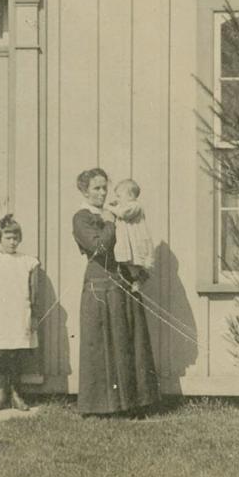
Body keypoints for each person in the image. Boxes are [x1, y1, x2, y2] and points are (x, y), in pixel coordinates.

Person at [72, 166, 159, 416]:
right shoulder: (83, 217)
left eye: (103, 187)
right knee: (103, 344)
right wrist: (111, 222)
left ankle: (134, 404)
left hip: (123, 282)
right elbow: (98, 248)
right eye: (96, 188)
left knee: (130, 341)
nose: (102, 192)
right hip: (100, 286)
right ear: (84, 191)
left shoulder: (117, 212)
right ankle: (101, 407)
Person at [0, 213, 39, 411]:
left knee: (16, 355)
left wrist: (34, 316)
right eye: (7, 238)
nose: (12, 242)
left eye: (15, 238)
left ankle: (16, 395)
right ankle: (0, 395)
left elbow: (34, 292)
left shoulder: (29, 262)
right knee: (1, 354)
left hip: (20, 313)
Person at [108, 179, 155, 283]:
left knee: (134, 260)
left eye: (119, 196)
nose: (117, 199)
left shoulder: (135, 206)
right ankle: (136, 277)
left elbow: (123, 213)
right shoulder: (125, 205)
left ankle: (139, 276)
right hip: (126, 240)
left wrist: (109, 207)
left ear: (130, 196)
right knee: (127, 260)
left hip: (134, 239)